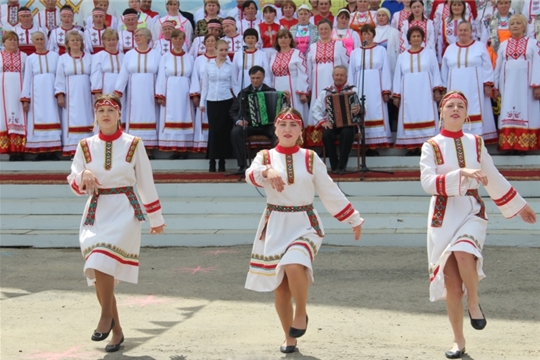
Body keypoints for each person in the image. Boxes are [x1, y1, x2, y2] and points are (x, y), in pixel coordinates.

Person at [420, 90, 536, 359]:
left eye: (461, 106)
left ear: (467, 113)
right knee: (451, 286)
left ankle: (474, 299)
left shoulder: (476, 143)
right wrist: (461, 172)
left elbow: (492, 177)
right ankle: (458, 342)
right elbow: (427, 183)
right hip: (442, 214)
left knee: (464, 251)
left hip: (471, 209)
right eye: (450, 105)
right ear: (441, 112)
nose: (456, 109)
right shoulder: (431, 145)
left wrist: (520, 205)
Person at [244, 107, 363, 354]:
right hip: (275, 223)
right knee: (281, 290)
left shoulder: (310, 157)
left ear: (301, 131)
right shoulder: (265, 156)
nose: (288, 130)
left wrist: (353, 218)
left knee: (294, 264)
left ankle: (302, 312)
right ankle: (290, 338)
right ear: (275, 129)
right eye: (283, 125)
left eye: (294, 125)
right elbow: (250, 176)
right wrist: (267, 170)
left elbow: (329, 190)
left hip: (304, 223)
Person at [67, 93, 165, 354]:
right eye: (101, 111)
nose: (106, 115)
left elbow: (145, 181)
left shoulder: (133, 143)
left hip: (124, 210)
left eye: (111, 110)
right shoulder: (85, 145)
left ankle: (104, 318)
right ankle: (116, 328)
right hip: (96, 211)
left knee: (101, 262)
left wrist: (156, 218)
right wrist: (84, 174)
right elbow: (74, 178)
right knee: (99, 269)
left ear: (120, 114)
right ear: (95, 116)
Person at [441, 21, 498, 144]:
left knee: (476, 109)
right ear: (457, 32)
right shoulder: (450, 49)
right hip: (454, 86)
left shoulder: (479, 46)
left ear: (471, 32)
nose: (463, 32)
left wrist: (488, 84)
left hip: (475, 87)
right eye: (460, 30)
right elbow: (444, 70)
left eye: (465, 30)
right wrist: (443, 88)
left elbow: (487, 66)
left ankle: (477, 140)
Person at [392, 26, 444, 154]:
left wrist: (437, 90)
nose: (416, 38)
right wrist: (397, 95)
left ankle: (426, 146)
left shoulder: (429, 53)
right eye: (413, 36)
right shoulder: (402, 56)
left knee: (427, 114)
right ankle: (411, 146)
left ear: (422, 38)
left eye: (418, 36)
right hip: (408, 92)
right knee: (409, 116)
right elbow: (398, 76)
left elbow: (435, 72)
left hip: (425, 91)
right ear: (409, 39)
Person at [493, 14, 540, 153]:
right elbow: (498, 66)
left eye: (518, 23)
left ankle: (525, 145)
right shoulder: (504, 44)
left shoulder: (533, 43)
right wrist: (495, 86)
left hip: (526, 87)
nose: (514, 26)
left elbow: (538, 64)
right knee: (508, 112)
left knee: (527, 113)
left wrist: (537, 85)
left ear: (524, 26)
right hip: (507, 85)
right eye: (512, 23)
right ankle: (509, 145)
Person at [114, 28, 160, 156]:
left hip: (150, 90)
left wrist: (159, 93)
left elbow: (160, 74)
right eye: (136, 35)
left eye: (140, 35)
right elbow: (124, 73)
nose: (137, 37)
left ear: (147, 38)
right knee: (134, 116)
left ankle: (149, 149)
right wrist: (118, 90)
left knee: (150, 115)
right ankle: (134, 148)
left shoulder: (156, 54)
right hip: (134, 92)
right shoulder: (129, 54)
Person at [349, 24, 393, 154]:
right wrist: (351, 91)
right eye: (364, 33)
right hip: (359, 86)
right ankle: (363, 144)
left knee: (375, 111)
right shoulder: (355, 52)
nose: (366, 36)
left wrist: (386, 90)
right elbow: (351, 71)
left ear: (373, 35)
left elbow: (386, 70)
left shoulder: (381, 50)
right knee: (360, 112)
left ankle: (375, 144)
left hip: (376, 87)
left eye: (369, 33)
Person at [306, 19, 348, 146]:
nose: (323, 31)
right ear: (318, 30)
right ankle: (317, 143)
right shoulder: (312, 47)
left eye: (326, 29)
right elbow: (308, 68)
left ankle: (334, 140)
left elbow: (346, 64)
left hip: (334, 83)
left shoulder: (339, 45)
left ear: (331, 30)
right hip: (317, 84)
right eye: (321, 29)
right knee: (318, 106)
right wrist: (307, 88)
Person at [20, 31, 62, 160]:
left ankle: (52, 151)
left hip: (51, 91)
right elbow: (26, 78)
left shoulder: (55, 56)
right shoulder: (30, 58)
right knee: (37, 118)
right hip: (36, 92)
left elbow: (60, 75)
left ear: (45, 40)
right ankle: (40, 151)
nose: (39, 41)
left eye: (41, 39)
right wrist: (25, 98)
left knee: (53, 115)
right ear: (33, 42)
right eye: (36, 39)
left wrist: (60, 92)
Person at [229, 65, 278, 174]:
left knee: (278, 132)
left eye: (258, 78)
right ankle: (242, 166)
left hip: (267, 126)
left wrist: (286, 101)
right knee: (236, 132)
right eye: (253, 78)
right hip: (249, 125)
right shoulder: (244, 93)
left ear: (263, 77)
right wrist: (239, 121)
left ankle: (276, 164)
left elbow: (280, 109)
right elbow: (233, 111)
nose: (255, 81)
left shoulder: (271, 91)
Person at [312, 66, 361, 173]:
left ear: (346, 77)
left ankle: (342, 166)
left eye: (341, 75)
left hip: (349, 124)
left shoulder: (354, 90)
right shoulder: (325, 92)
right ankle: (334, 166)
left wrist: (359, 109)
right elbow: (315, 109)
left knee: (347, 133)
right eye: (336, 75)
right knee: (326, 134)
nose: (339, 77)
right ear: (333, 76)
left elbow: (363, 106)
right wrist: (323, 122)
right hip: (332, 124)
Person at [200, 39, 239, 172]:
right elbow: (205, 85)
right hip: (212, 101)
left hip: (226, 100)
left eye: (225, 50)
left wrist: (240, 99)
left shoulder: (231, 66)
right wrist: (202, 102)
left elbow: (234, 84)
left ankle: (222, 160)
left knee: (224, 131)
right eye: (221, 50)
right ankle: (212, 160)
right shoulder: (208, 65)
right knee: (214, 131)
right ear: (215, 50)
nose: (223, 52)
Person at [155, 29, 195, 157]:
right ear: (171, 40)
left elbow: (193, 76)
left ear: (184, 40)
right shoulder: (165, 57)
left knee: (185, 116)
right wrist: (160, 94)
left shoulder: (189, 57)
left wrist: (194, 93)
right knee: (172, 116)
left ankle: (184, 148)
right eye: (175, 38)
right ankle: (174, 148)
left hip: (185, 90)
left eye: (181, 39)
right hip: (170, 90)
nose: (178, 41)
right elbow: (161, 76)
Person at [55, 30, 93, 157]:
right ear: (68, 43)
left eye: (77, 40)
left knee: (88, 118)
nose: (75, 42)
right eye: (72, 40)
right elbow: (59, 77)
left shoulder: (89, 57)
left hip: (87, 94)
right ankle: (73, 150)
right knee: (71, 120)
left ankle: (88, 149)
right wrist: (60, 94)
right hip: (70, 95)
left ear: (82, 43)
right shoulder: (63, 59)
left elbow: (95, 76)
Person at [269, 29, 310, 124]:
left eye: (286, 37)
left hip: (294, 90)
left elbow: (303, 72)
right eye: (280, 37)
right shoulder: (273, 56)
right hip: (278, 88)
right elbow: (271, 75)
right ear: (277, 40)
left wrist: (303, 92)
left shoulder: (297, 53)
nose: (283, 40)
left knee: (295, 113)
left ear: (290, 40)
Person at [0, 30, 27, 161]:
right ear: (3, 42)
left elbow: (27, 75)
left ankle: (19, 151)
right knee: (4, 120)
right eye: (9, 39)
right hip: (2, 94)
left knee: (19, 118)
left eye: (15, 40)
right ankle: (8, 150)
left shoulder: (24, 56)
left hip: (19, 91)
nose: (12, 42)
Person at [189, 33, 218, 154]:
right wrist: (195, 94)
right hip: (203, 94)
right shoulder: (199, 59)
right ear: (204, 44)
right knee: (203, 118)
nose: (210, 43)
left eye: (213, 41)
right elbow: (195, 76)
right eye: (208, 41)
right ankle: (204, 146)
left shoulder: (221, 58)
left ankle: (216, 146)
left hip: (218, 93)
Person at [90, 29, 125, 123]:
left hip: (121, 89)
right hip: (106, 86)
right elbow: (95, 73)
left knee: (119, 110)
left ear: (117, 41)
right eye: (108, 40)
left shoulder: (123, 56)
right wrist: (97, 90)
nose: (111, 42)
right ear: (104, 41)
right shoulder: (99, 55)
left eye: (114, 39)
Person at [479, 0, 514, 66]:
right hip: (494, 51)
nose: (504, 6)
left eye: (506, 3)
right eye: (501, 3)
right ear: (497, 5)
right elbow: (485, 36)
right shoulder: (491, 20)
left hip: (511, 50)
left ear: (509, 4)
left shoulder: (515, 19)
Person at [374, 7, 400, 76]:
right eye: (379, 15)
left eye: (383, 15)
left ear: (388, 17)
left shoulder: (394, 32)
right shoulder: (372, 32)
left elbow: (398, 50)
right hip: (375, 64)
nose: (381, 17)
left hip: (390, 63)